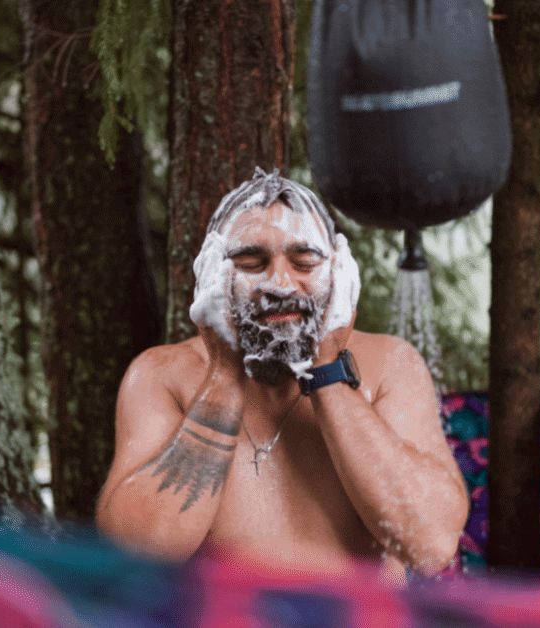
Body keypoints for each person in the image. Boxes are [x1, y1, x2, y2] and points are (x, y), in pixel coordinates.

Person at [96, 169, 468, 580]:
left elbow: (431, 546)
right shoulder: (163, 375)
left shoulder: (390, 365)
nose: (280, 283)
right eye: (252, 262)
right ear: (212, 276)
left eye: (304, 262)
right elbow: (135, 554)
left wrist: (327, 370)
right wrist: (224, 376)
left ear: (340, 273)